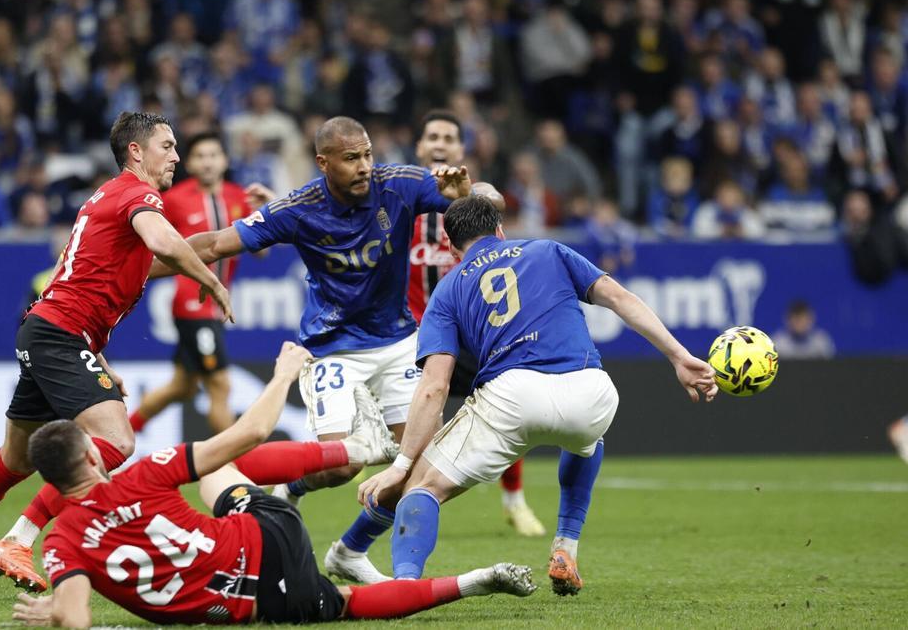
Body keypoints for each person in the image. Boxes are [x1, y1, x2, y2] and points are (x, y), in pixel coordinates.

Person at [0, 112, 233, 593]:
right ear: (136, 152)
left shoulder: (112, 203)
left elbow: (189, 246)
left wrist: (267, 226)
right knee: (117, 441)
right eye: (168, 146)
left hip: (50, 332)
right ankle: (17, 540)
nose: (177, 157)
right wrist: (210, 282)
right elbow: (169, 242)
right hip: (58, 335)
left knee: (14, 461)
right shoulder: (137, 196)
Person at [149, 116, 472, 583]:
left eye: (367, 155)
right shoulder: (299, 208)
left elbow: (477, 205)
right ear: (323, 163)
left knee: (418, 466)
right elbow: (218, 243)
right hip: (332, 347)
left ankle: (351, 551)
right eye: (350, 158)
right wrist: (134, 272)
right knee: (345, 465)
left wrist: (465, 191)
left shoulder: (399, 183)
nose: (364, 166)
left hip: (399, 341)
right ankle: (293, 484)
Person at [9, 342, 536, 627]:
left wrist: (56, 612)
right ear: (91, 456)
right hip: (266, 533)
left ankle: (475, 580)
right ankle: (356, 451)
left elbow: (75, 620)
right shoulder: (145, 473)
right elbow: (251, 432)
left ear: (53, 483)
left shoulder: (61, 544)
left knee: (346, 604)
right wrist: (285, 374)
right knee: (217, 467)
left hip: (256, 605)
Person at [358, 196, 717, 596]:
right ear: (499, 229)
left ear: (452, 246)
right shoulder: (548, 249)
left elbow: (435, 387)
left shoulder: (447, 289)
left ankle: (405, 585)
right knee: (587, 441)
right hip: (591, 390)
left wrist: (402, 463)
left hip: (512, 396)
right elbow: (620, 299)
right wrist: (680, 357)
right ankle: (566, 547)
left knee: (422, 488)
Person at [407, 110, 544, 537]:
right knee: (415, 417)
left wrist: (474, 192)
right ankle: (408, 489)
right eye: (433, 136)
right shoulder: (400, 199)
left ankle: (514, 500)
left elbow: (493, 197)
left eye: (450, 137)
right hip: (410, 330)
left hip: (470, 332)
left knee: (509, 403)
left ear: (461, 150)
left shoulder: (473, 202)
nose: (441, 143)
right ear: (419, 146)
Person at [128, 132, 257, 435]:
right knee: (220, 385)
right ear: (190, 162)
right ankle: (229, 467)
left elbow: (261, 250)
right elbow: (150, 242)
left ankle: (120, 436)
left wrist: (267, 206)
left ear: (224, 160)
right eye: (200, 156)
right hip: (192, 305)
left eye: (214, 155)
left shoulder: (239, 197)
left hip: (216, 305)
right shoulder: (173, 199)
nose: (208, 162)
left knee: (182, 387)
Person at [771, 299, 835, 359]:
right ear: (787, 320)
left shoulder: (820, 341)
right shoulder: (778, 343)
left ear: (811, 319)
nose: (800, 324)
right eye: (796, 319)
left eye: (803, 319)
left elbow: (831, 367)